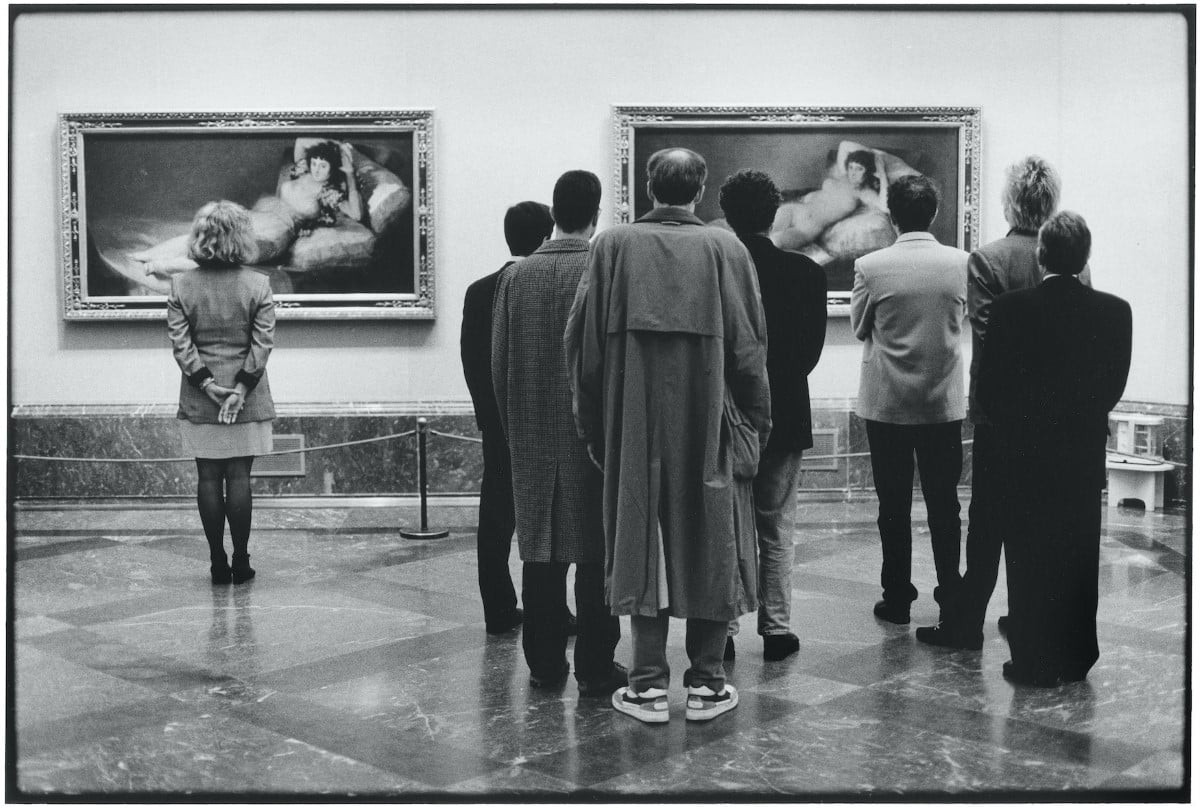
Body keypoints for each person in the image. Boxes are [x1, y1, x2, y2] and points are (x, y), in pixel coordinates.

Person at [567, 148, 770, 723]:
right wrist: (756, 423)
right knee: (713, 536)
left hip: (633, 425)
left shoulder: (612, 247)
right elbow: (751, 350)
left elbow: (581, 349)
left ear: (649, 188)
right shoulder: (726, 249)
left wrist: (592, 426)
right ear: (699, 190)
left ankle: (648, 685)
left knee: (641, 537)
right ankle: (707, 682)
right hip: (709, 422)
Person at [917, 156, 1091, 650]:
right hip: (1056, 412)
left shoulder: (988, 258)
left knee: (988, 519)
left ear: (1009, 200)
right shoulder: (1073, 261)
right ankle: (1026, 614)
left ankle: (966, 622)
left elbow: (990, 340)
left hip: (1003, 409)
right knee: (1041, 516)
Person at [976, 211, 1130, 686]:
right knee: (1079, 551)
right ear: (1085, 257)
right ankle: (1077, 651)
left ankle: (1032, 657)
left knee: (1026, 553)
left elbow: (990, 389)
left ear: (1041, 254)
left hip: (1024, 450)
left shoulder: (1009, 310)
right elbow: (1113, 387)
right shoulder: (1115, 310)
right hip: (1082, 452)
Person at [491, 171, 624, 696]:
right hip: (594, 439)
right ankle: (595, 664)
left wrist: (514, 433)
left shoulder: (515, 277)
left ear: (553, 209)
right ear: (596, 211)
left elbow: (499, 366)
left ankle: (544, 664)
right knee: (596, 558)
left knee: (540, 556)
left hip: (531, 438)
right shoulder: (604, 268)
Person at [717, 170, 827, 662]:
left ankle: (724, 630)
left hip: (726, 416)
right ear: (775, 211)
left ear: (727, 214)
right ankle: (777, 628)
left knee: (726, 525)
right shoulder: (806, 272)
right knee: (777, 525)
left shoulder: (718, 269)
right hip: (784, 411)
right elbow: (808, 356)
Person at [850, 175, 967, 627]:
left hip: (888, 405)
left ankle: (897, 597)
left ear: (892, 215)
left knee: (893, 506)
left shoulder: (871, 265)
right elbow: (961, 321)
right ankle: (950, 595)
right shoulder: (961, 262)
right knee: (945, 506)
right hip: (941, 404)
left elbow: (861, 326)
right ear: (933, 213)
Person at [166, 200, 276, 585]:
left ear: (201, 236)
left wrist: (209, 385)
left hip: (201, 397)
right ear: (241, 237)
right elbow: (262, 344)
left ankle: (217, 562)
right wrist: (240, 390)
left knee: (208, 478)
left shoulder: (182, 284)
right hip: (247, 397)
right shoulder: (258, 283)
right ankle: (242, 562)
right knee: (240, 478)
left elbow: (181, 346)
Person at [460, 201, 553, 635]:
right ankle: (551, 610)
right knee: (551, 517)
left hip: (497, 424)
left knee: (495, 522)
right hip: (546, 423)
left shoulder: (480, 289)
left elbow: (471, 362)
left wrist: (487, 417)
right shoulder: (547, 285)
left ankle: (498, 609)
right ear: (547, 237)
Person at [133, 140, 363, 278]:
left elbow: (356, 213)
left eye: (324, 166)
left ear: (333, 170)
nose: (317, 169)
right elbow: (302, 140)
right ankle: (147, 256)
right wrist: (333, 145)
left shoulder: (329, 192)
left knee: (224, 257)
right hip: (258, 216)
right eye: (315, 163)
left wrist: (349, 170)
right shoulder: (300, 171)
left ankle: (160, 265)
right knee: (206, 235)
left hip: (278, 231)